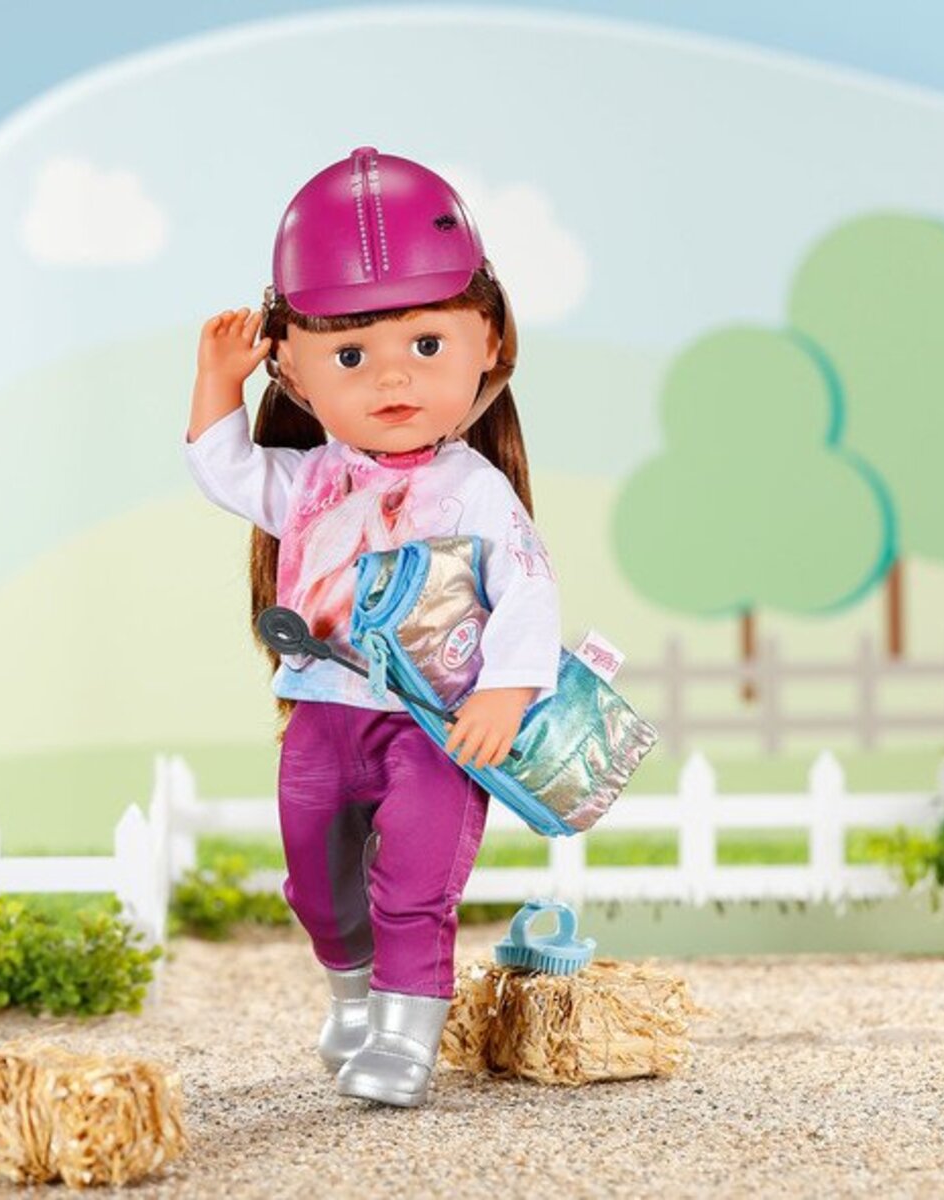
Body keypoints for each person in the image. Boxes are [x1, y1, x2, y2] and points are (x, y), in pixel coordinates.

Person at [183, 147, 560, 1107]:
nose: (393, 376)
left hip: (433, 724)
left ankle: (402, 1038)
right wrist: (217, 381)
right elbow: (226, 472)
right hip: (324, 710)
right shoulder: (313, 480)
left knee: (416, 885)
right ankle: (351, 999)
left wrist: (507, 690)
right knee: (316, 883)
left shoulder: (474, 491)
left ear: (488, 341)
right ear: (294, 370)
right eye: (350, 356)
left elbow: (527, 590)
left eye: (427, 345)